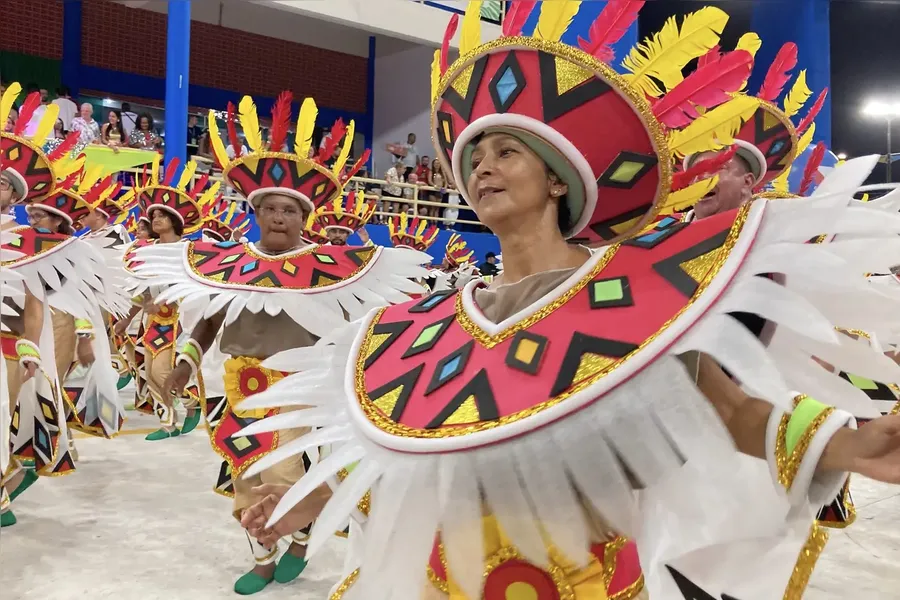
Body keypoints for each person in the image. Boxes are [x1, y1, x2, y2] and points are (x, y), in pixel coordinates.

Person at [237, 5, 900, 600]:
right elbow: (395, 471)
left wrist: (846, 447)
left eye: (505, 151)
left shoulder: (638, 302)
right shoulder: (424, 326)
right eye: (474, 158)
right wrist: (304, 506)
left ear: (557, 179)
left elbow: (731, 411)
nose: (482, 169)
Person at [127, 91, 428, 596]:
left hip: (305, 390)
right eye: (270, 208)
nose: (280, 217)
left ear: (304, 216)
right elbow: (207, 322)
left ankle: (298, 535)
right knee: (247, 475)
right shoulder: (230, 264)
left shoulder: (334, 270)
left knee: (288, 474)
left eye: (290, 209)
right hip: (238, 387)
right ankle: (266, 552)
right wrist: (184, 363)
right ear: (256, 212)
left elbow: (363, 323)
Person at [1, 85, 129, 528]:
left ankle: (13, 482)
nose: (37, 220)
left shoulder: (33, 246)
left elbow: (38, 300)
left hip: (17, 343)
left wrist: (43, 346)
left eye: (2, 181)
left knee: (19, 416)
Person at [116, 159, 213, 440]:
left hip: (180, 319)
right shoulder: (147, 250)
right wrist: (127, 319)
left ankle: (192, 401)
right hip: (153, 320)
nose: (155, 219)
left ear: (175, 221)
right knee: (149, 371)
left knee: (162, 370)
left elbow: (196, 289)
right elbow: (142, 291)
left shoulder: (188, 251)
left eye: (162, 215)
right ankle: (168, 423)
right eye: (153, 215)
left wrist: (177, 310)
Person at [312, 190, 376, 246]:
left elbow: (375, 257)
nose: (337, 235)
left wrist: (366, 241)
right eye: (334, 231)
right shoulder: (317, 250)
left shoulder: (352, 254)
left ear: (348, 235)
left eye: (342, 232)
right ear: (328, 233)